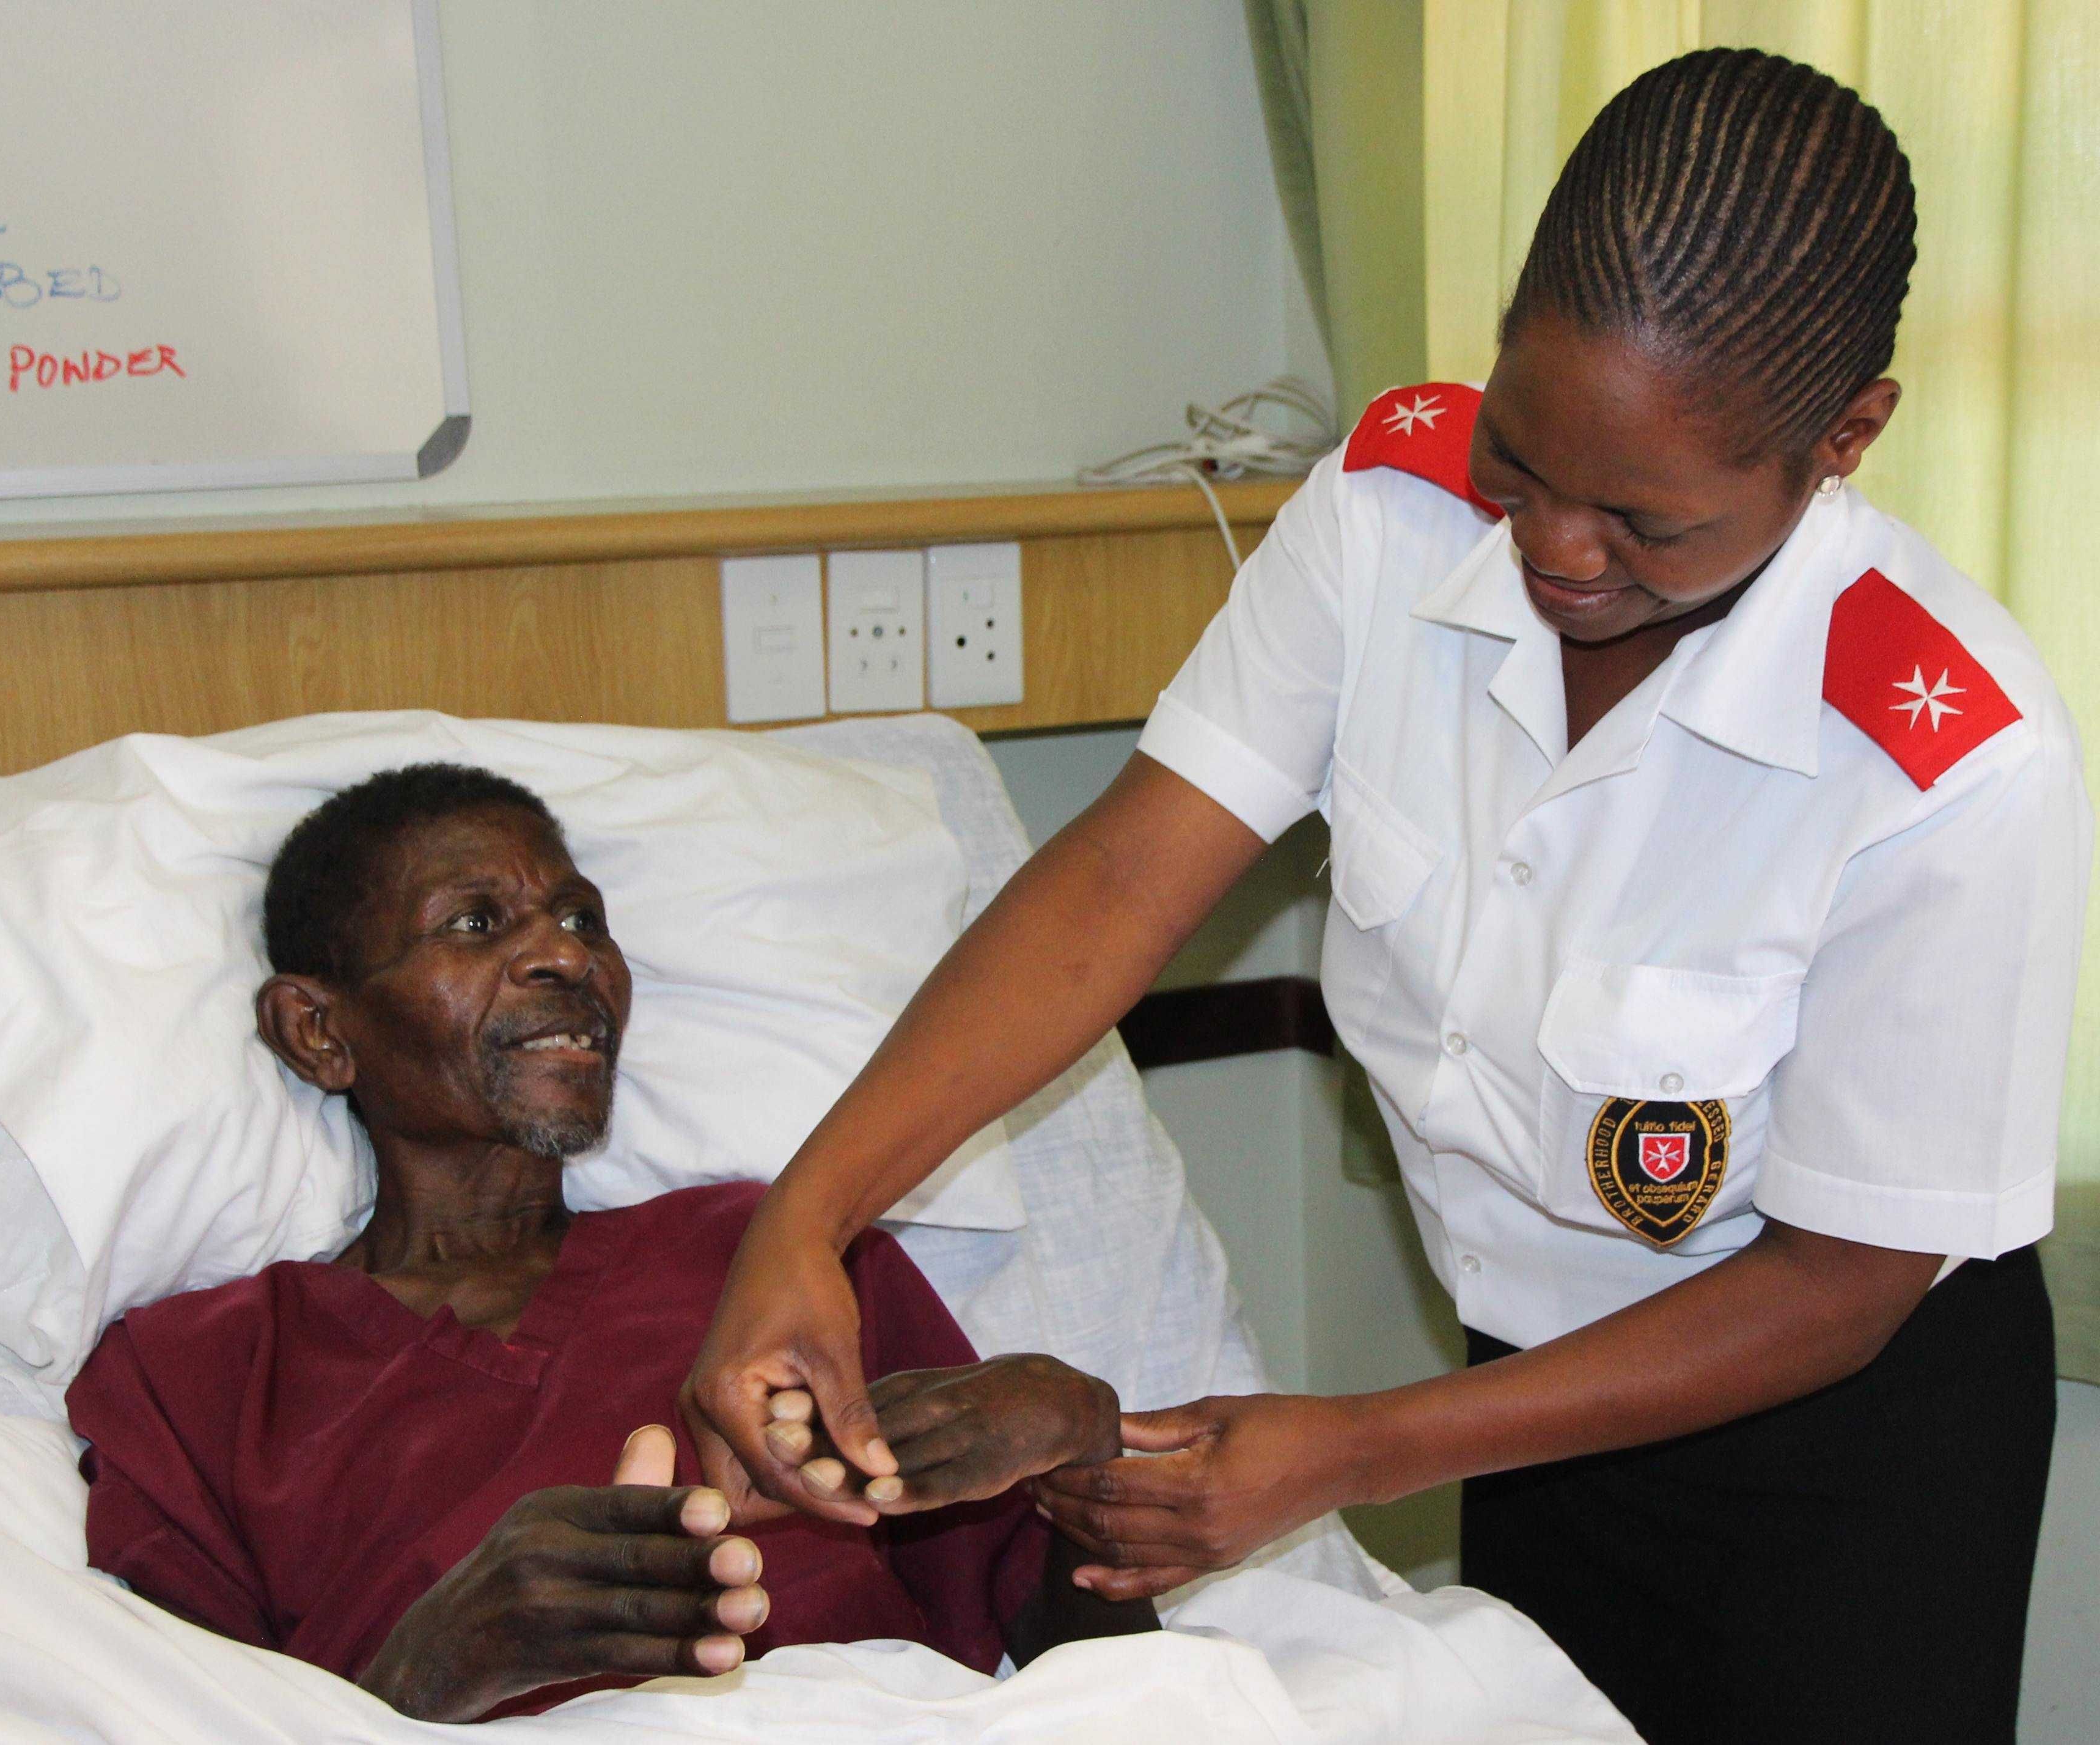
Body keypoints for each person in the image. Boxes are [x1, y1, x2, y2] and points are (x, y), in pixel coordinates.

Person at [682, 48, 2088, 1745]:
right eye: (1521, 463)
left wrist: (1357, 1446)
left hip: (1841, 1450)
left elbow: (1837, 1285)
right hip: (1532, 1400)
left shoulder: (1945, 762)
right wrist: (807, 1218)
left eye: (1642, 522)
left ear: (1845, 436)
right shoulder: (1387, 515)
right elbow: (1121, 879)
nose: (1556, 549)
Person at [65, 765, 1153, 1725]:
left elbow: (1112, 1691)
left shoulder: (775, 1257)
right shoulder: (197, 1374)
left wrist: (1073, 1441)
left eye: (581, 918)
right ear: (318, 1030)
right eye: (475, 924)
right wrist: (428, 1676)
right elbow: (186, 1721)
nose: (564, 955)